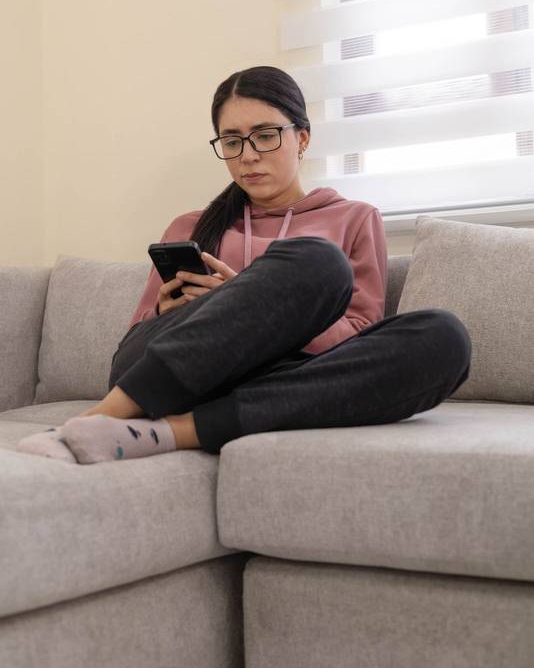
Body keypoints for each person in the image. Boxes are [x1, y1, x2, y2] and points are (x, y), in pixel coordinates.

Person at [17, 65, 472, 464]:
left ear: (303, 138)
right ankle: (93, 421)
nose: (248, 155)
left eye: (265, 136)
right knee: (320, 261)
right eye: (232, 141)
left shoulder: (353, 218)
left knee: (440, 336)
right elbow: (132, 344)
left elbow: (358, 332)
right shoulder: (190, 225)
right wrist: (173, 312)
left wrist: (257, 306)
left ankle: (168, 433)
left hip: (282, 379)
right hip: (169, 370)